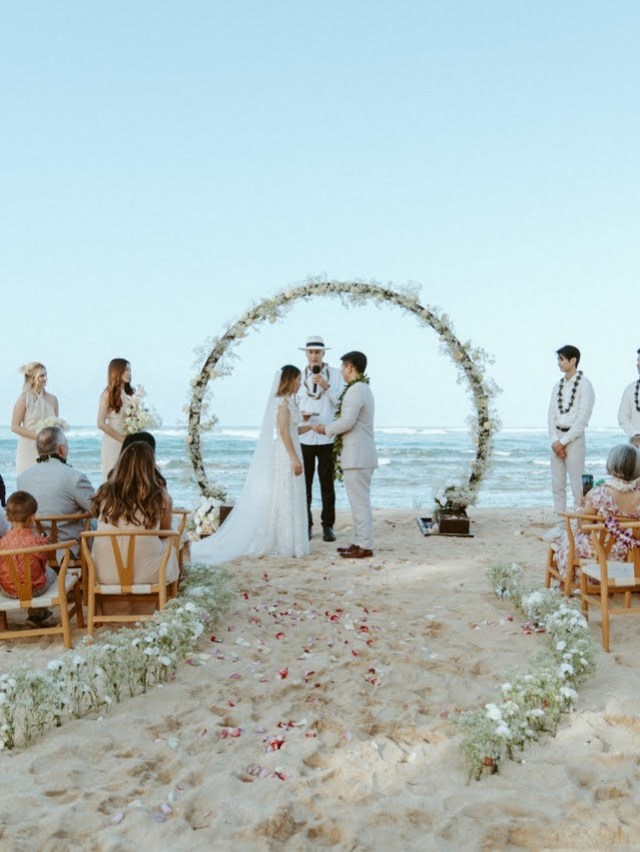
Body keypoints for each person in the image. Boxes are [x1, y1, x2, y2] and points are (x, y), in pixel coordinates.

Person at [192, 365, 312, 564]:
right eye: (298, 379)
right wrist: (294, 459)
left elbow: (292, 432)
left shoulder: (290, 402)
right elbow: (283, 433)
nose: (301, 383)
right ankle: (286, 542)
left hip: (291, 449)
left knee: (292, 493)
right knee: (285, 493)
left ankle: (293, 541)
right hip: (285, 454)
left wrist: (311, 427)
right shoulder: (282, 403)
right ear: (290, 380)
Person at [314, 351, 378, 559]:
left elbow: (347, 422)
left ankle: (365, 546)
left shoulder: (356, 390)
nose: (341, 371)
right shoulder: (362, 388)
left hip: (357, 456)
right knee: (359, 502)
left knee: (360, 503)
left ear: (350, 367)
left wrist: (326, 429)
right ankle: (360, 541)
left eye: (343, 367)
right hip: (359, 454)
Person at [90, 442, 178, 585]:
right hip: (149, 575)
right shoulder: (160, 496)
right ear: (151, 466)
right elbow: (164, 533)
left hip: (104, 574)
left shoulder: (104, 492)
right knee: (170, 543)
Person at [551, 444, 640, 579]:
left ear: (611, 464)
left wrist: (581, 507)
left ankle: (571, 579)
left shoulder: (601, 492)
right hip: (627, 552)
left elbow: (585, 528)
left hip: (599, 551)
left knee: (567, 539)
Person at [297, 335, 344, 542]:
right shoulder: (298, 376)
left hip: (326, 436)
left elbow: (341, 402)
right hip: (305, 436)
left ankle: (328, 526)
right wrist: (303, 416)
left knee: (327, 484)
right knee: (304, 485)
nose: (314, 355)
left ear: (324, 353)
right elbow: (293, 405)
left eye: (318, 352)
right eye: (311, 352)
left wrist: (326, 386)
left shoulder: (335, 375)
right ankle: (306, 525)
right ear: (306, 354)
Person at [18, 426, 95, 550]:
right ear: (61, 449)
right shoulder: (75, 477)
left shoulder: (22, 479)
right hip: (69, 547)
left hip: (36, 549)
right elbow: (98, 509)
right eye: (66, 444)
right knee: (96, 523)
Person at [547, 345, 595, 516]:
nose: (558, 363)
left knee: (578, 486)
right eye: (558, 359)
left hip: (574, 439)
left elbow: (582, 419)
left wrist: (563, 442)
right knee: (557, 485)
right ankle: (560, 526)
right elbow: (551, 415)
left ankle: (578, 527)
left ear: (573, 360)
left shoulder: (585, 385)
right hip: (557, 438)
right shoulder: (557, 387)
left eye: (561, 359)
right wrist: (555, 441)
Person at [0, 490, 57, 624]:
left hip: (8, 591)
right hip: (34, 590)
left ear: (7, 517)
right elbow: (43, 564)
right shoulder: (37, 542)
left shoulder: (2, 543)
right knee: (51, 573)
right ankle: (37, 612)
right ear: (32, 517)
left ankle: (37, 613)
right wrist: (45, 543)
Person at [11, 362, 59, 475]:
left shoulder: (53, 399)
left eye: (46, 375)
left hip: (48, 449)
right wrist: (38, 437)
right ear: (33, 378)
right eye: (42, 376)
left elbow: (56, 425)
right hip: (28, 448)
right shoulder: (24, 398)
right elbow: (14, 426)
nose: (45, 378)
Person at [97, 358, 134, 482]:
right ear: (116, 372)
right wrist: (122, 439)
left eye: (130, 370)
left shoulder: (131, 394)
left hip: (129, 441)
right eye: (126, 370)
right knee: (113, 478)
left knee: (128, 479)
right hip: (114, 442)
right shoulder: (108, 394)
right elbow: (100, 423)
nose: (129, 373)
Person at [617, 348, 640, 448]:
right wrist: (636, 434)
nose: (638, 364)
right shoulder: (630, 390)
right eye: (638, 360)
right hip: (635, 447)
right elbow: (622, 417)